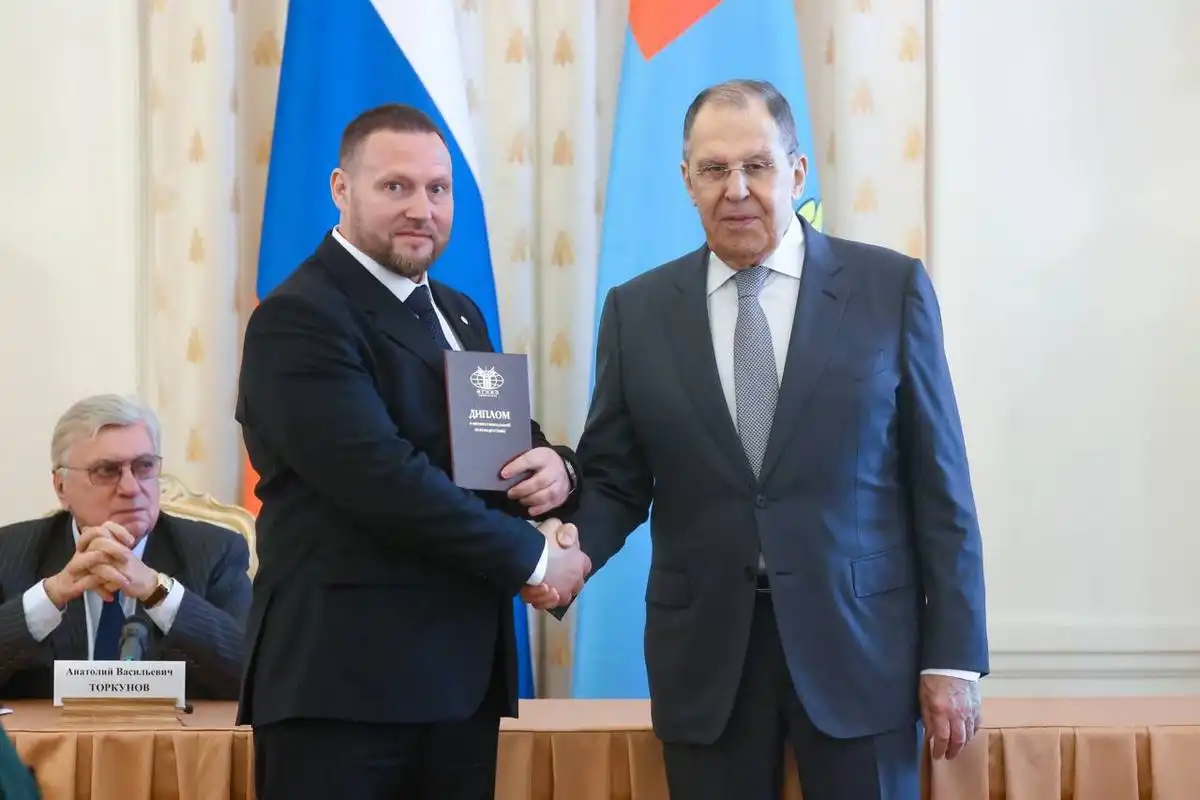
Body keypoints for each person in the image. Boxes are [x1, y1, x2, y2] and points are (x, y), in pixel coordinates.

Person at [528, 79, 989, 800]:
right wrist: (567, 554)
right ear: (687, 181)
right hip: (707, 656)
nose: (736, 189)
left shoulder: (887, 288)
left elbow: (940, 483)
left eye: (757, 165)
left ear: (796, 172)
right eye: (714, 169)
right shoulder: (637, 311)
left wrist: (953, 657)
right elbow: (616, 476)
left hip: (862, 649)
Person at [236, 103, 591, 800]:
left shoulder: (458, 312)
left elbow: (497, 445)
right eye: (395, 186)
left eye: (438, 188)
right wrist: (535, 559)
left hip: (458, 683)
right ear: (342, 189)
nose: (421, 209)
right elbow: (385, 481)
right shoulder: (299, 317)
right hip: (341, 692)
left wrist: (558, 471)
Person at [0, 394, 251, 700]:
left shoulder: (215, 552)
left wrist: (157, 592)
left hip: (173, 733)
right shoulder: (10, 553)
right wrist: (50, 596)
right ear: (61, 487)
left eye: (144, 466)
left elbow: (255, 675)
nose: (131, 488)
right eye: (106, 470)